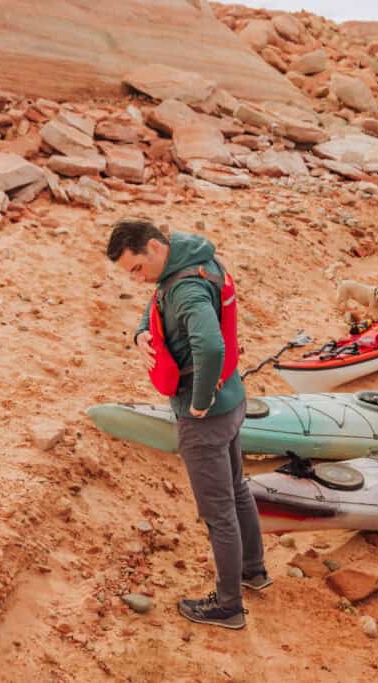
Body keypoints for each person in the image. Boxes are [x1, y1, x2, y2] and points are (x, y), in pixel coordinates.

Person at [106, 218, 269, 630]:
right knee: (237, 490)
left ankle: (228, 606)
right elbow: (157, 301)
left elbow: (210, 344)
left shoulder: (186, 287)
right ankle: (253, 571)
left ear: (156, 249)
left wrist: (198, 403)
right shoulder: (194, 256)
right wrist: (141, 332)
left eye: (137, 269)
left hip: (207, 417)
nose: (138, 279)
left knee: (218, 513)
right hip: (234, 400)